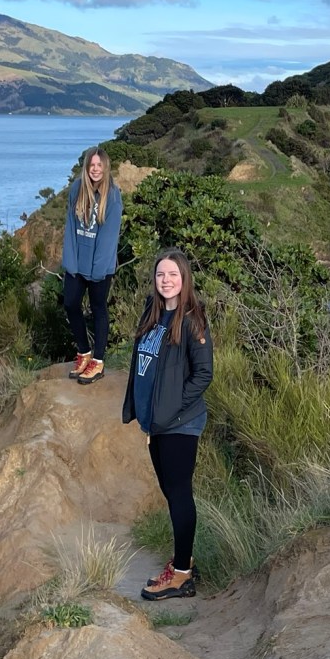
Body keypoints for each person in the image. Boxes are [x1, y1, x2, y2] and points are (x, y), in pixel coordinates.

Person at [122, 248, 213, 601]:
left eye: (173, 274)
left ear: (184, 278)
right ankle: (183, 559)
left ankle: (181, 576)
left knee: (179, 493)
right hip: (156, 423)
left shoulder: (192, 319)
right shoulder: (153, 312)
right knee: (171, 492)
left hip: (180, 424)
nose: (166, 280)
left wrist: (171, 408)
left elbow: (204, 374)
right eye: (161, 274)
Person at [62, 146, 122, 385]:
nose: (95, 170)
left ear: (105, 167)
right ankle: (84, 352)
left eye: (99, 165)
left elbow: (108, 238)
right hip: (78, 263)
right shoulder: (77, 189)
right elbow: (70, 226)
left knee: (98, 309)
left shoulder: (113, 195)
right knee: (70, 304)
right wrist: (71, 262)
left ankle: (98, 362)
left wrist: (96, 272)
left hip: (100, 267)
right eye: (91, 165)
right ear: (86, 167)